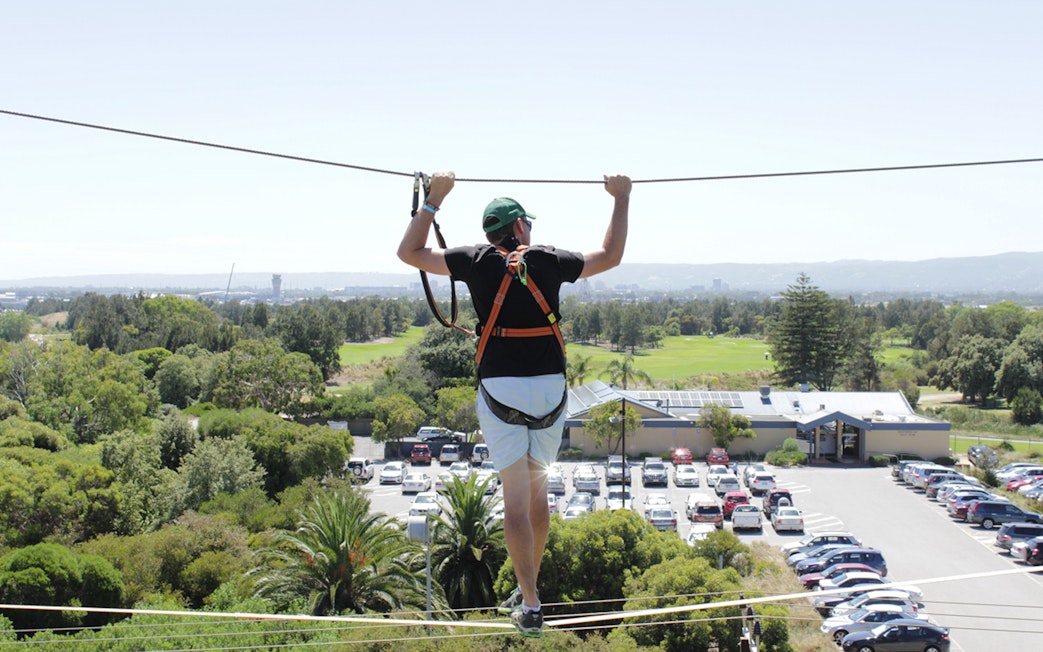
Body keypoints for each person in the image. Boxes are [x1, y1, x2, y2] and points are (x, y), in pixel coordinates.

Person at [397, 171, 631, 636]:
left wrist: (434, 202)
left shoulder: (475, 258)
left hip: (501, 391)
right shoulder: (548, 259)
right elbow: (612, 255)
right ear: (520, 227)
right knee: (537, 494)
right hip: (548, 391)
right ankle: (531, 586)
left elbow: (410, 253)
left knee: (516, 501)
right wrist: (621, 198)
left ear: (491, 234)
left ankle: (529, 601)